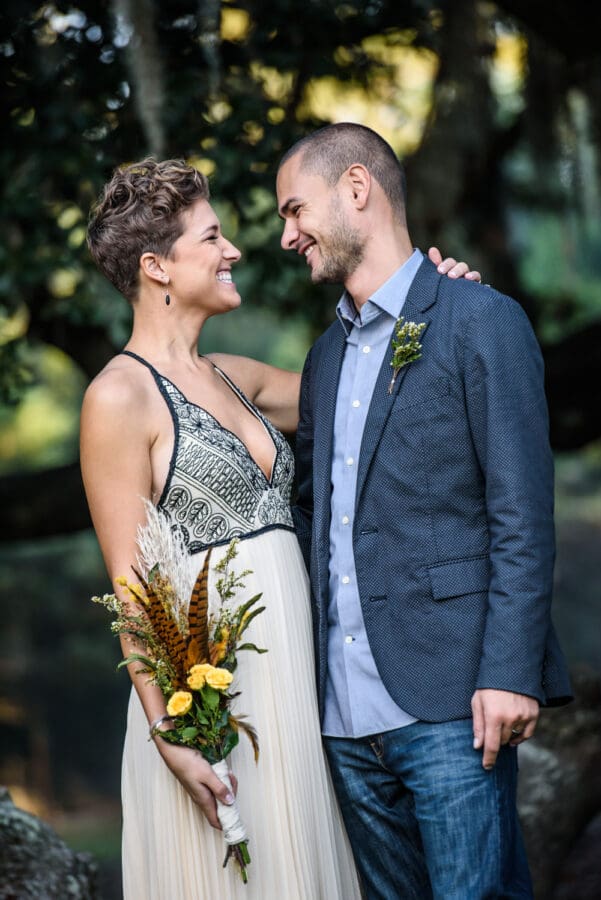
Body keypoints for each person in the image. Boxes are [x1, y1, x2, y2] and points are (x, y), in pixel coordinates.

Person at [81, 156, 475, 898]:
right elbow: (132, 591)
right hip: (216, 704)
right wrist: (175, 738)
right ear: (156, 266)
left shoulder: (238, 375)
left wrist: (441, 301)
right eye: (213, 236)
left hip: (299, 685)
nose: (233, 251)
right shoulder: (117, 397)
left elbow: (378, 382)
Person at [276, 122, 573, 900]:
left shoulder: (481, 321)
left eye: (294, 210)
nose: (286, 235)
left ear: (355, 188)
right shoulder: (324, 357)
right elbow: (315, 514)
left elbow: (521, 513)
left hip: (451, 700)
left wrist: (510, 671)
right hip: (340, 719)